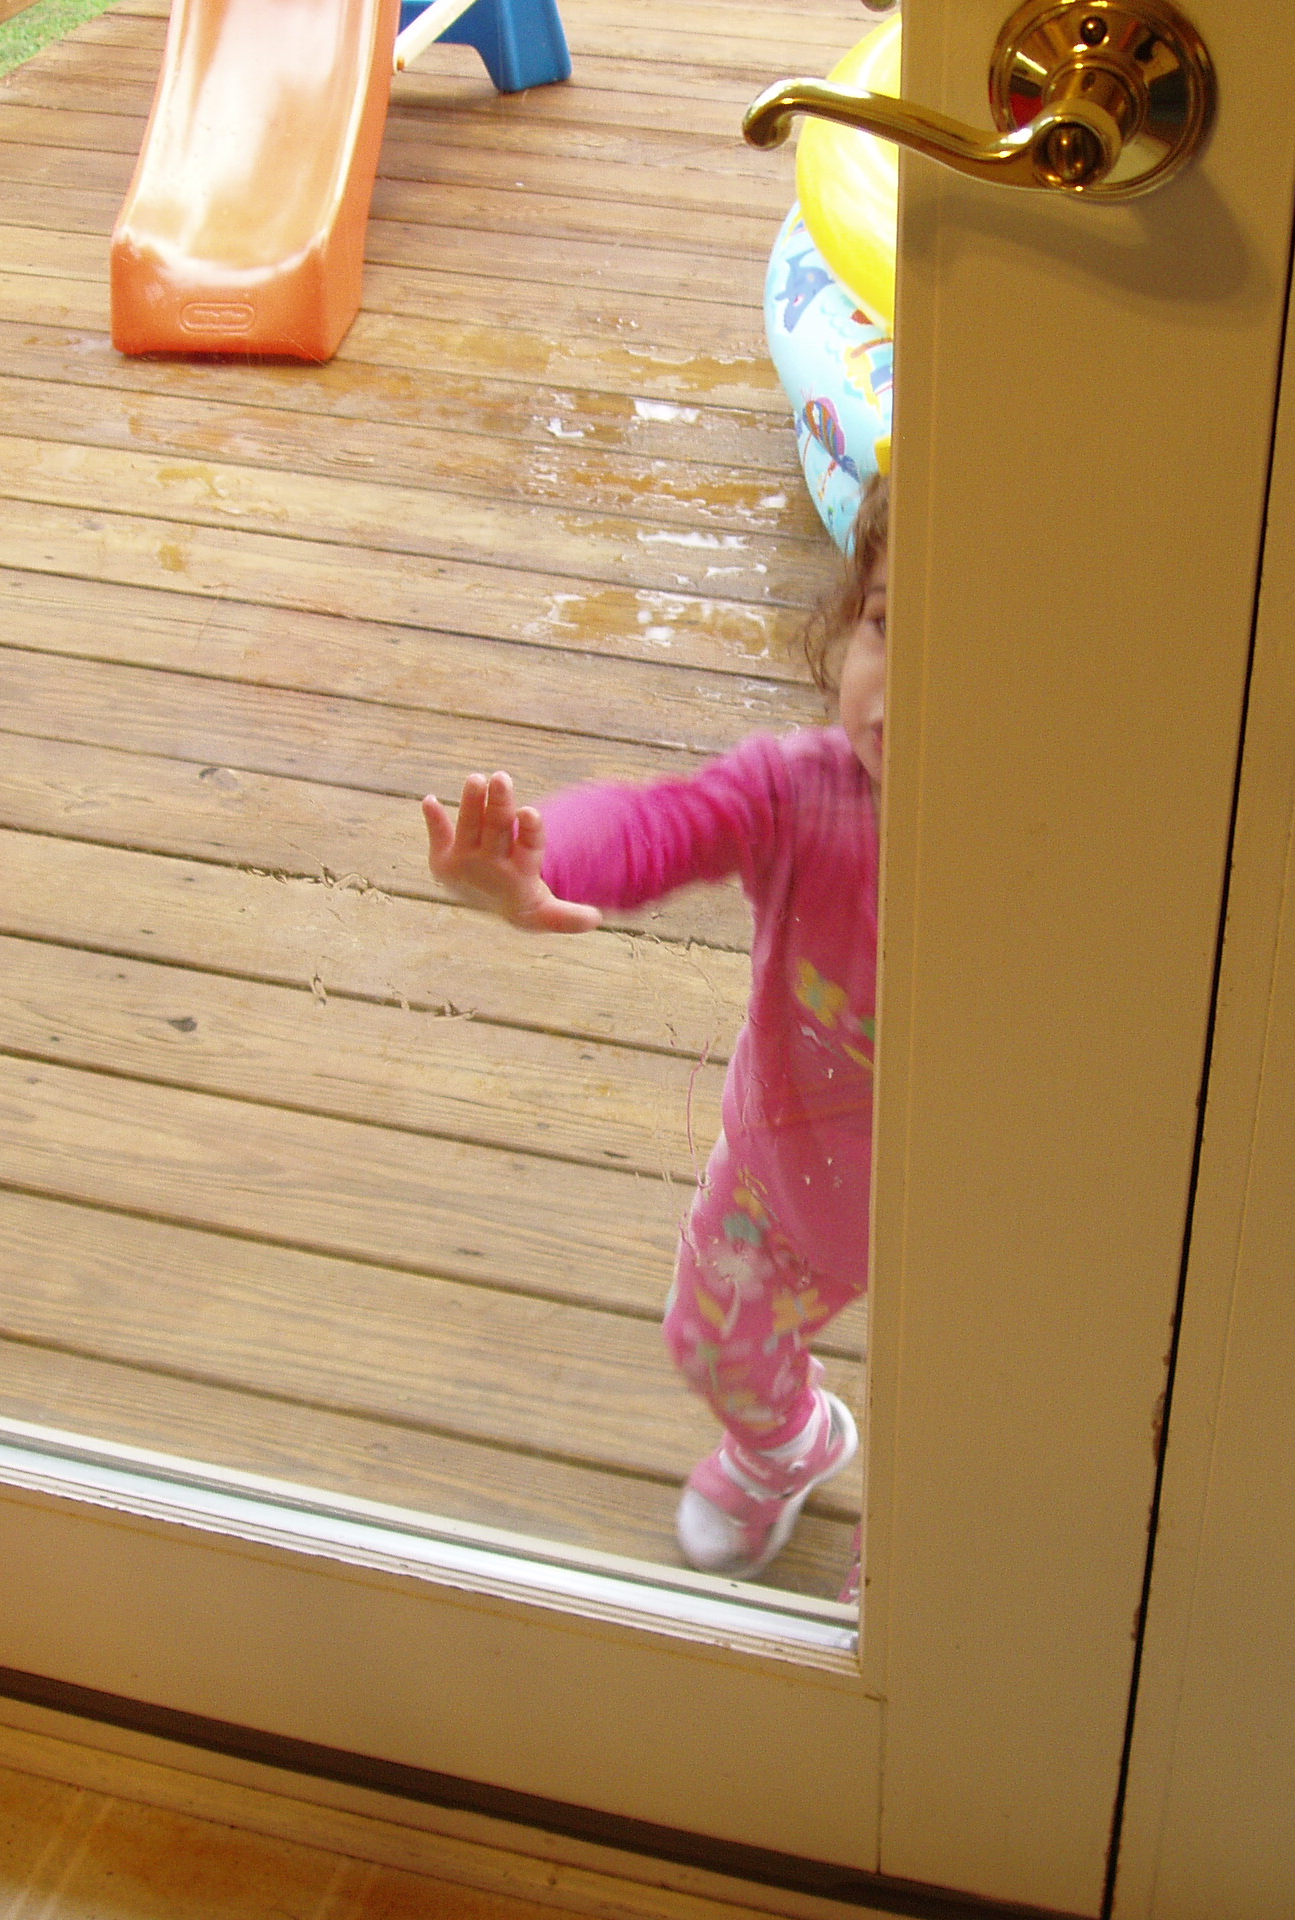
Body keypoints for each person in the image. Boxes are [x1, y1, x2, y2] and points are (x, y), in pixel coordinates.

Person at [422, 475, 887, 1586]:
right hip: (787, 1174)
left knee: (970, 1432)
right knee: (711, 1341)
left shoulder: (1065, 865)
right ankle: (789, 1446)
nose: (905, 684)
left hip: (980, 1235)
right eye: (887, 624)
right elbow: (665, 820)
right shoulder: (806, 795)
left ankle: (918, 1577)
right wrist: (544, 857)